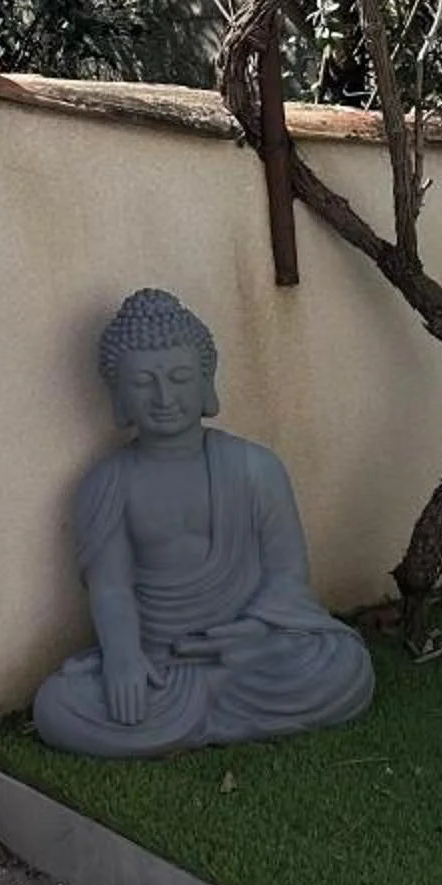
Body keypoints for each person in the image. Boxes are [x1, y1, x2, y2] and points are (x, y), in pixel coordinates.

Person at [33, 287, 374, 756]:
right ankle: (204, 715)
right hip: (161, 658)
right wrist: (123, 657)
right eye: (143, 383)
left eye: (179, 377)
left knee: (345, 664)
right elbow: (111, 588)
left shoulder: (256, 467)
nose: (163, 396)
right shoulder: (107, 483)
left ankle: (184, 722)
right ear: (118, 394)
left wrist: (255, 630)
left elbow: (288, 575)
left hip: (248, 650)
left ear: (206, 382)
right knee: (57, 704)